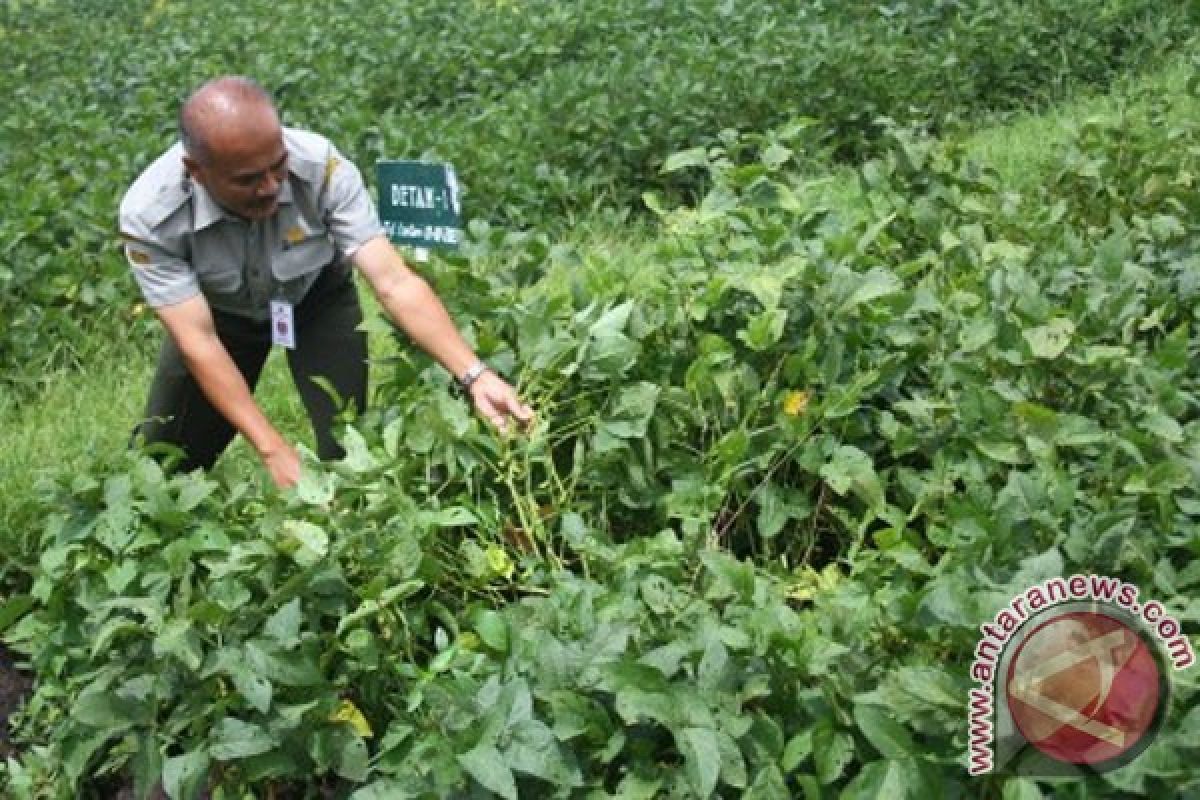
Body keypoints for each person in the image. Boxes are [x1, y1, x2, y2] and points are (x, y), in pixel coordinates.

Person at [118, 76, 532, 488]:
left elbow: (393, 282)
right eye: (247, 179)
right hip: (220, 320)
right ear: (198, 172)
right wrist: (272, 449)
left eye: (277, 166)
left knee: (348, 445)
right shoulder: (150, 215)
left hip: (317, 299)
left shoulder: (320, 166)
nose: (270, 187)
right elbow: (199, 342)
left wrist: (475, 376)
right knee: (165, 462)